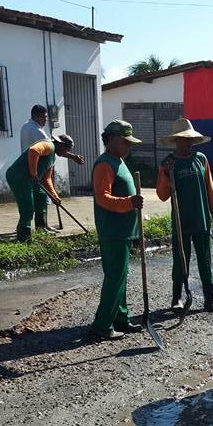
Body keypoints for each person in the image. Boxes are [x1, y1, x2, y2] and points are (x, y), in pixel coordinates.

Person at [155, 118, 213, 314]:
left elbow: (210, 190)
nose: (187, 144)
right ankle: (176, 298)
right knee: (180, 260)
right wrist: (167, 175)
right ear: (176, 141)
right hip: (180, 221)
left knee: (205, 260)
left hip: (201, 219)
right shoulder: (168, 163)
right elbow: (162, 195)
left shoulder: (201, 159)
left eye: (189, 140)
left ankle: (209, 300)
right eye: (183, 140)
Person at [90, 120, 144, 341]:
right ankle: (102, 326)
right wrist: (129, 202)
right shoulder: (105, 164)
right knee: (114, 278)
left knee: (121, 277)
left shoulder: (118, 161)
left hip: (124, 231)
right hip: (112, 231)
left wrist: (136, 232)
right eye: (125, 142)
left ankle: (120, 317)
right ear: (111, 140)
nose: (128, 147)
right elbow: (103, 198)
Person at [20, 105, 84, 231]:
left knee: (35, 199)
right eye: (44, 117)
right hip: (35, 169)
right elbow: (54, 149)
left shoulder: (26, 127)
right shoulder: (37, 131)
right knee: (41, 197)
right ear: (36, 116)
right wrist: (73, 157)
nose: (45, 120)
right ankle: (39, 227)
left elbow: (56, 149)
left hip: (31, 167)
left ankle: (42, 225)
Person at [5, 134, 76, 242]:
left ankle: (41, 229)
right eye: (67, 149)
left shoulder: (52, 157)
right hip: (18, 176)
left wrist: (54, 196)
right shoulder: (49, 145)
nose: (66, 152)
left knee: (42, 195)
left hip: (30, 179)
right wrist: (34, 174)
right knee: (27, 208)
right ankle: (24, 239)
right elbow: (33, 151)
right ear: (61, 145)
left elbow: (46, 179)